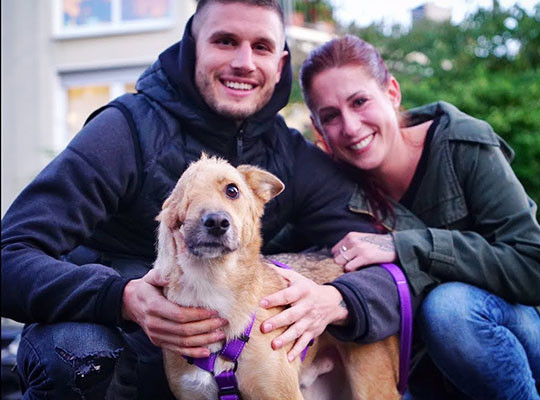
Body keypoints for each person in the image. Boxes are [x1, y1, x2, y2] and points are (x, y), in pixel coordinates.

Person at [0, 2, 392, 398]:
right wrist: (119, 298)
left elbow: (375, 255)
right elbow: (9, 254)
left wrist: (340, 298)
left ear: (280, 64)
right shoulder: (124, 130)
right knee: (80, 355)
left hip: (235, 344)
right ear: (193, 47)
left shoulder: (294, 159)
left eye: (261, 47)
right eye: (225, 41)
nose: (243, 62)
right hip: (113, 335)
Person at [293, 34, 540, 399]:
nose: (351, 126)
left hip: (535, 316)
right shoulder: (332, 187)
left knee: (449, 309)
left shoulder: (461, 142)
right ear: (319, 129)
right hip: (425, 354)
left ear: (392, 92)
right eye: (331, 116)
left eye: (360, 102)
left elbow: (533, 269)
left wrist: (404, 246)